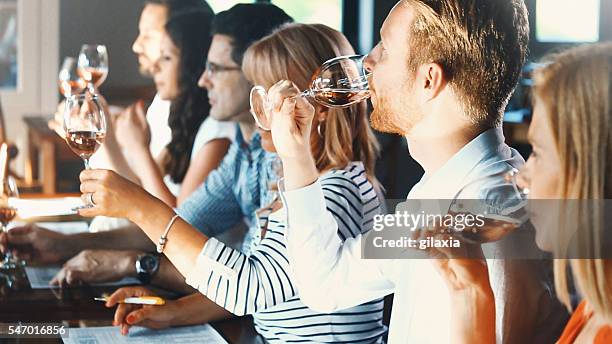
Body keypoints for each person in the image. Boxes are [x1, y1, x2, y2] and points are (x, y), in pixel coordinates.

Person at [265, 0, 568, 343]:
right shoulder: (437, 193)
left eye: (385, 48)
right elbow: (326, 285)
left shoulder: (491, 219)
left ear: (429, 80)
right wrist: (296, 157)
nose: (368, 61)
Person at [95, 23, 388, 342]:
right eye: (257, 96)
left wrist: (142, 208)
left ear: (315, 108)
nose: (256, 112)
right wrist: (172, 311)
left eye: (273, 99)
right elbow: (260, 283)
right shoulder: (293, 181)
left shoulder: (336, 193)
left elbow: (248, 288)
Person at [0, 4, 293, 292]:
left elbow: (253, 285)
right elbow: (174, 226)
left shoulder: (286, 161)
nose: (204, 80)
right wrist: (61, 245)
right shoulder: (244, 152)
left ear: (258, 71)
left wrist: (130, 262)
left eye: (215, 68)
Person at [433, 43, 612, 344]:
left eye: (538, 153)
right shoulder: (594, 309)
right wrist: (470, 291)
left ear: (594, 170)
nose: (521, 176)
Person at [112, 9, 235, 207]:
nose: (155, 68)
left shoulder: (218, 132)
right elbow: (137, 194)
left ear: (193, 64)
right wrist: (108, 139)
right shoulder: (186, 128)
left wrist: (139, 149)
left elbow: (176, 223)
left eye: (167, 58)